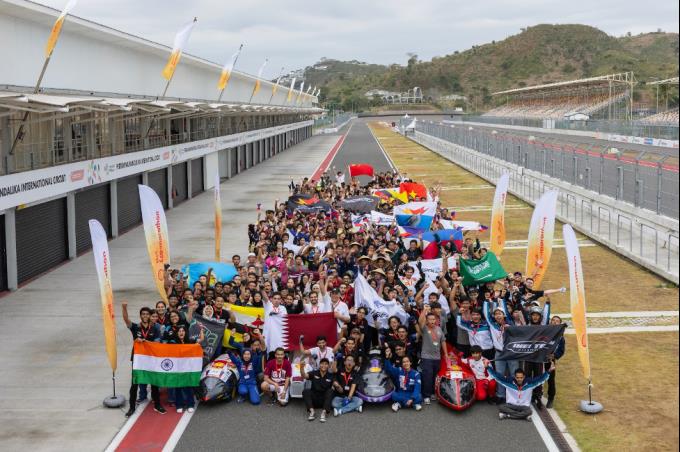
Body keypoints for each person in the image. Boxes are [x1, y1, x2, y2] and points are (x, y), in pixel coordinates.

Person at [121, 302, 165, 417]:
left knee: (154, 382)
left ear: (150, 316)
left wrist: (145, 341)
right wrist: (124, 308)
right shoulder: (136, 327)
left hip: (151, 359)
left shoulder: (155, 328)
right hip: (138, 360)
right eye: (143, 314)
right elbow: (126, 320)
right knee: (134, 383)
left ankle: (157, 405)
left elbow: (157, 343)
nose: (145, 316)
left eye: (147, 314)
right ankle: (131, 408)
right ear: (140, 316)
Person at [417, 305, 447, 405]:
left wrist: (446, 354)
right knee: (427, 376)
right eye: (430, 319)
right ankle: (426, 395)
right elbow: (420, 321)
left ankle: (433, 393)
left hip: (437, 357)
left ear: (436, 320)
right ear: (427, 320)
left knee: (435, 376)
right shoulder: (424, 328)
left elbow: (443, 341)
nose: (432, 321)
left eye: (433, 319)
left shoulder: (439, 329)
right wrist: (424, 310)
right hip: (426, 357)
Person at [384, 348, 422, 412]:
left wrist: (412, 398)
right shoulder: (399, 370)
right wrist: (387, 358)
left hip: (411, 394)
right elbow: (389, 369)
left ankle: (400, 403)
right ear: (402, 364)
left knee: (419, 396)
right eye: (404, 362)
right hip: (401, 393)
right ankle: (413, 404)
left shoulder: (416, 374)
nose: (405, 363)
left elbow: (417, 388)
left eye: (407, 361)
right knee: (393, 395)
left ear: (410, 363)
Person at [300, 358, 334, 422]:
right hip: (314, 399)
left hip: (324, 401)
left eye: (326, 364)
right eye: (322, 364)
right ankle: (312, 412)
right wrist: (301, 367)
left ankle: (323, 413)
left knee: (331, 391)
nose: (324, 365)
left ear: (328, 366)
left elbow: (334, 387)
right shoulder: (314, 373)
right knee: (306, 391)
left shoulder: (331, 375)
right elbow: (304, 376)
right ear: (319, 365)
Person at [546, 315, 566, 409]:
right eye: (553, 320)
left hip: (550, 360)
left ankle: (551, 398)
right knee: (537, 377)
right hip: (539, 359)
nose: (554, 322)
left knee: (551, 380)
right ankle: (536, 396)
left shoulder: (560, 337)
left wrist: (554, 356)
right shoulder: (544, 331)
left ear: (560, 324)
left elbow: (561, 351)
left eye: (557, 321)